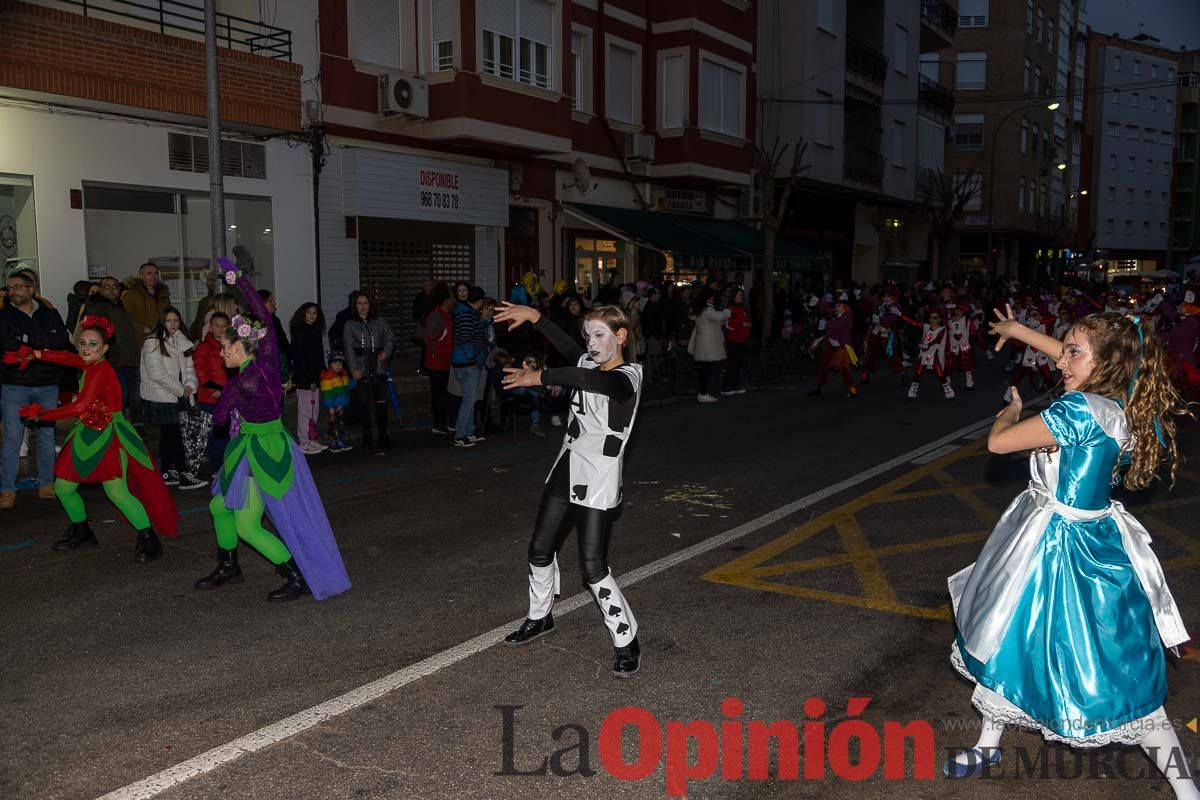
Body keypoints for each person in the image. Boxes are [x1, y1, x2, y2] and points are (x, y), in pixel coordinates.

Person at [945, 306, 1197, 799]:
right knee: (1008, 642)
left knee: (1113, 676)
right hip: (1084, 536)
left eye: (1074, 353)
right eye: (1065, 349)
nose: (1062, 360)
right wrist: (1019, 332)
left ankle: (1188, 791)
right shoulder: (1118, 398)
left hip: (1061, 545)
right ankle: (989, 742)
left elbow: (1000, 446)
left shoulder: (1077, 411)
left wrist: (1010, 412)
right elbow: (1071, 356)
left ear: (1102, 363)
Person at [493, 301, 644, 677]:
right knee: (539, 549)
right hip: (567, 468)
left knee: (593, 568)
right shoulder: (587, 364)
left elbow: (589, 381)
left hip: (599, 478)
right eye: (588, 335)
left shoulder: (628, 377)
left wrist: (539, 378)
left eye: (600, 335)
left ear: (621, 336)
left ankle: (626, 639)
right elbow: (569, 352)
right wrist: (537, 318)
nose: (591, 344)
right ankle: (540, 617)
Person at [194, 260, 350, 602]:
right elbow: (263, 318)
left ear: (239, 347)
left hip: (260, 451)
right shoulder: (264, 364)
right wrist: (240, 281)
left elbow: (219, 418)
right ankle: (229, 565)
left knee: (247, 525)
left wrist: (219, 402)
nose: (221, 352)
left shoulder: (244, 381)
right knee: (220, 507)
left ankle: (295, 575)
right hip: (251, 444)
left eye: (225, 347)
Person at [9, 316, 178, 559]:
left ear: (105, 349)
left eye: (93, 345)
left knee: (116, 492)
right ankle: (82, 531)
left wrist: (44, 413)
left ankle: (148, 537)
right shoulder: (89, 363)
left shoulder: (102, 369)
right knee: (63, 488)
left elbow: (80, 407)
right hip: (87, 432)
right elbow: (70, 358)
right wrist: (37, 354)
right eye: (83, 343)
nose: (86, 348)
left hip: (111, 434)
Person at [1, 268, 70, 509]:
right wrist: (41, 344)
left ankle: (46, 485)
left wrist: (28, 343)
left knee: (46, 436)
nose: (12, 292)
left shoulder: (51, 314)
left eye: (17, 287)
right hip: (15, 385)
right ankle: (7, 490)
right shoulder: (4, 316)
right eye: (9, 287)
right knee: (12, 438)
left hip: (47, 384)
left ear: (32, 288)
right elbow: (7, 344)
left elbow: (61, 341)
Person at [140, 307, 205, 490]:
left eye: (176, 320)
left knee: (171, 435)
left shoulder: (181, 340)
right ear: (162, 321)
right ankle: (183, 473)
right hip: (163, 396)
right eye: (169, 321)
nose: (173, 324)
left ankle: (169, 471)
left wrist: (191, 386)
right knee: (174, 436)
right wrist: (180, 389)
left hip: (179, 395)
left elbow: (189, 369)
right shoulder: (152, 342)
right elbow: (156, 373)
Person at [342, 291, 394, 450]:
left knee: (381, 403)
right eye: (360, 303)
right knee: (364, 404)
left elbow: (389, 339)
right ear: (355, 306)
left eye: (365, 303)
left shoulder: (380, 322)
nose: (363, 307)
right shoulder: (349, 324)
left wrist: (385, 353)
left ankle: (383, 432)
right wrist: (354, 369)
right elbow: (348, 348)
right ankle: (367, 434)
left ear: (370, 305)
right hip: (361, 369)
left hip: (378, 367)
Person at [81, 277, 139, 410]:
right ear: (100, 289)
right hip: (114, 360)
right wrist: (107, 355)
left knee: (122, 399)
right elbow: (97, 334)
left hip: (126, 359)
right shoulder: (97, 306)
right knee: (116, 400)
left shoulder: (118, 306)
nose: (111, 290)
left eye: (115, 286)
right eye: (106, 287)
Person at [192, 311, 231, 477]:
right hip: (211, 399)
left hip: (228, 397)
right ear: (210, 327)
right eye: (217, 326)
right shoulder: (204, 347)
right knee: (216, 435)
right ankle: (217, 467)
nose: (221, 329)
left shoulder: (230, 345)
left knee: (228, 433)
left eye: (224, 326)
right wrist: (215, 390)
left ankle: (228, 463)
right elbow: (201, 372)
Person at [451, 286, 488, 447]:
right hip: (467, 363)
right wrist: (473, 358)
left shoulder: (466, 312)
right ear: (479, 301)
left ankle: (469, 432)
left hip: (466, 361)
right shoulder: (466, 314)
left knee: (471, 399)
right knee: (469, 399)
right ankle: (461, 435)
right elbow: (466, 339)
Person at [290, 302, 328, 454]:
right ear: (303, 314)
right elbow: (300, 358)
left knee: (314, 410)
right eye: (309, 312)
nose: (312, 315)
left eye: (315, 313)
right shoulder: (299, 331)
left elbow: (319, 354)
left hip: (315, 376)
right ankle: (303, 441)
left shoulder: (316, 330)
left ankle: (312, 439)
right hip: (305, 378)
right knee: (305, 410)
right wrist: (310, 379)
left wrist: (322, 372)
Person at [688, 289, 731, 403]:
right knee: (706, 370)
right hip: (708, 344)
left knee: (704, 370)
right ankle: (703, 393)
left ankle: (703, 393)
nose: (713, 299)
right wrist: (727, 311)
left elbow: (716, 321)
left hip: (704, 343)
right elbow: (720, 317)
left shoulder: (701, 309)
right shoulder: (707, 310)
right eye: (711, 297)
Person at [423, 283, 454, 435]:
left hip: (448, 362)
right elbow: (432, 342)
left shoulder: (448, 314)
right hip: (438, 363)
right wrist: (446, 355)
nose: (454, 298)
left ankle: (446, 421)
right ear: (446, 300)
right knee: (439, 395)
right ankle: (439, 423)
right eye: (451, 296)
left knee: (446, 394)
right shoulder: (435, 316)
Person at [319, 353, 354, 453]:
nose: (338, 365)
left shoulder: (344, 374)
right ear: (330, 365)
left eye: (340, 363)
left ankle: (340, 441)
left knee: (341, 424)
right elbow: (327, 392)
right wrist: (330, 406)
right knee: (333, 424)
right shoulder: (328, 376)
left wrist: (354, 381)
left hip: (341, 405)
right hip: (333, 406)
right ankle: (334, 443)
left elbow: (346, 388)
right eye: (335, 363)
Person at [721, 288, 752, 395]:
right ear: (734, 297)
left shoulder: (742, 308)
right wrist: (742, 324)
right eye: (739, 295)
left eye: (742, 295)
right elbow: (729, 325)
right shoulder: (730, 309)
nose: (741, 297)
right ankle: (726, 387)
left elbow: (745, 321)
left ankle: (734, 385)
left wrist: (747, 325)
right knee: (731, 364)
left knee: (738, 363)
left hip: (742, 340)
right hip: (733, 340)